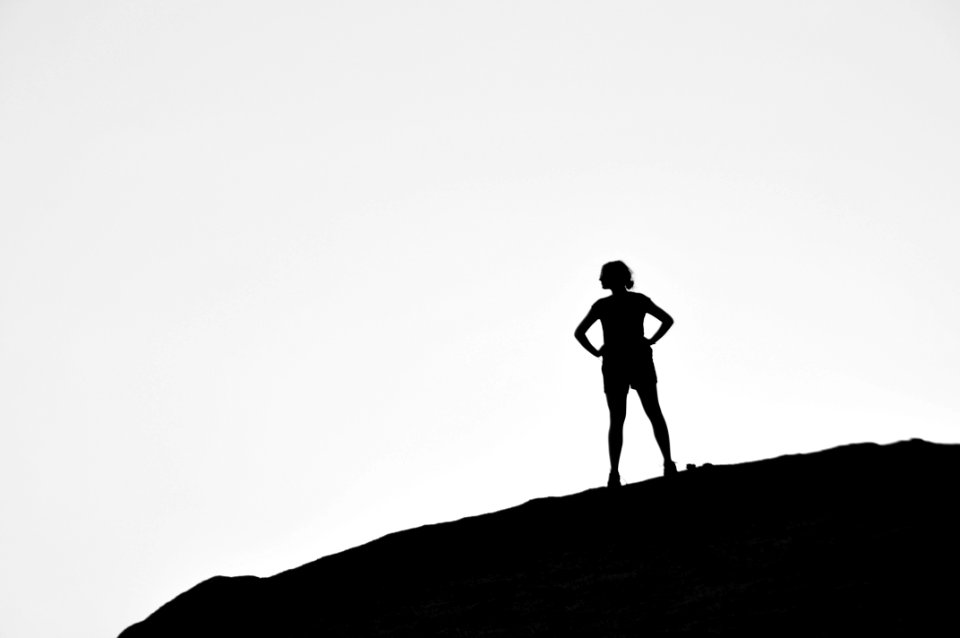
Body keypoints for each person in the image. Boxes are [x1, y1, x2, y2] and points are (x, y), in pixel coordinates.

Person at [574, 260, 677, 487]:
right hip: (639, 358)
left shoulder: (602, 305)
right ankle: (668, 463)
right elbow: (667, 320)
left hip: (615, 362)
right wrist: (651, 340)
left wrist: (596, 352)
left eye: (603, 275)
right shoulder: (638, 301)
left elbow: (579, 333)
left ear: (612, 278)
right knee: (654, 412)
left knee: (617, 420)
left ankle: (614, 474)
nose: (600, 280)